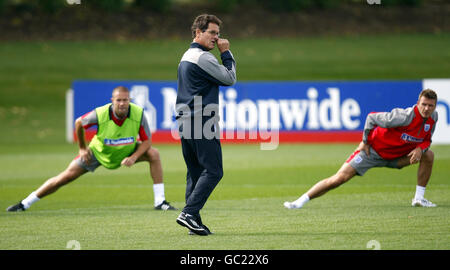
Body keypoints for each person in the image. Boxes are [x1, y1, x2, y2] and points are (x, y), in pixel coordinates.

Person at [7, 86, 176, 212]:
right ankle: (24, 204)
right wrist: (82, 148)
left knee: (154, 154)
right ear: (112, 101)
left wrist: (134, 157)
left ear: (130, 100)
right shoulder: (100, 114)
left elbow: (147, 142)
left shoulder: (138, 113)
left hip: (127, 151)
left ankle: (160, 201)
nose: (123, 103)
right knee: (63, 178)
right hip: (97, 154)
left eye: (125, 100)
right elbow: (79, 123)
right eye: (119, 100)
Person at [284, 89, 439, 209]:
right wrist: (365, 141)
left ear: (435, 106)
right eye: (423, 104)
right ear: (418, 102)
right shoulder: (402, 117)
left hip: (397, 158)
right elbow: (371, 117)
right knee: (339, 179)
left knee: (428, 155)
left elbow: (427, 139)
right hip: (372, 152)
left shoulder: (433, 117)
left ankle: (419, 199)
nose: (426, 108)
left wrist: (421, 148)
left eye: (430, 105)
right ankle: (300, 201)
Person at [175, 14, 237, 236]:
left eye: (218, 34)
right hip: (201, 120)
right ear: (198, 33)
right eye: (212, 33)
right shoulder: (203, 58)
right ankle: (189, 213)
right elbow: (229, 78)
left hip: (185, 120)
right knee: (213, 171)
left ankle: (194, 221)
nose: (216, 38)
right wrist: (226, 53)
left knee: (195, 172)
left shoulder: (186, 56)